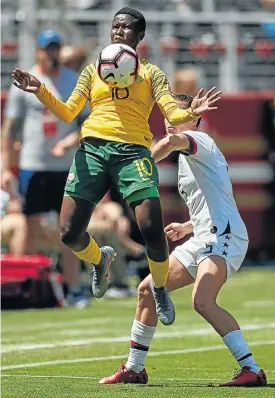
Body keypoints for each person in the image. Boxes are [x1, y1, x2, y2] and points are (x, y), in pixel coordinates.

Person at [11, 7, 221, 325]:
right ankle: (100, 259)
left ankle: (160, 288)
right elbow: (69, 113)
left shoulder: (151, 74)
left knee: (151, 226)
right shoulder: (91, 71)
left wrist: (190, 112)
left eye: (126, 28)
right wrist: (40, 89)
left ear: (139, 36)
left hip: (133, 154)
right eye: (115, 26)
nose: (118, 31)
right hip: (93, 151)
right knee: (69, 233)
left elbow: (171, 113)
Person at [99, 94, 267, 387]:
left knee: (202, 301)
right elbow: (218, 199)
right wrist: (189, 226)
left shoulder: (199, 140)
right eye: (167, 114)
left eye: (176, 115)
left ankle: (252, 369)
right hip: (203, 237)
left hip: (225, 237)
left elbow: (170, 143)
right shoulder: (188, 159)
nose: (169, 121)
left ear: (194, 119)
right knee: (148, 290)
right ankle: (134, 369)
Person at [2, 30, 87, 308]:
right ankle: (23, 284)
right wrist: (5, 167)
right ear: (38, 51)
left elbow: (86, 124)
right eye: (47, 48)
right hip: (33, 165)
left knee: (69, 228)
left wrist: (68, 141)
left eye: (55, 47)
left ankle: (73, 288)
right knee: (28, 225)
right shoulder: (24, 81)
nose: (51, 53)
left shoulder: (74, 80)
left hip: (65, 166)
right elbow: (10, 130)